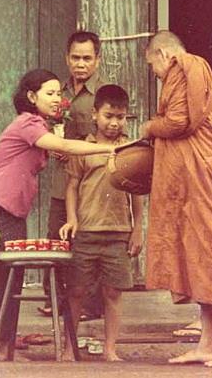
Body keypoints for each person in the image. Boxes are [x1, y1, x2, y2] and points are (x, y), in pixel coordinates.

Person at [0, 68, 115, 360]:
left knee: (4, 278)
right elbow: (66, 145)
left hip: (9, 208)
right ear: (32, 96)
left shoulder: (38, 125)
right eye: (50, 93)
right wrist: (108, 150)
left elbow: (56, 150)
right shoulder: (27, 123)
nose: (58, 99)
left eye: (59, 93)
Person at [141, 31, 212, 368]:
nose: (156, 74)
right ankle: (208, 342)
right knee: (198, 258)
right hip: (196, 182)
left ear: (163, 55)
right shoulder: (188, 71)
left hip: (211, 179)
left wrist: (149, 127)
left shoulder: (186, 65)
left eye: (153, 67)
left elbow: (179, 121)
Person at [59, 85, 143, 361]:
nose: (114, 122)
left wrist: (138, 229)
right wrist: (72, 219)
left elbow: (138, 191)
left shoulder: (130, 149)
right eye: (108, 115)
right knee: (77, 292)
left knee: (113, 292)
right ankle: (70, 348)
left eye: (120, 116)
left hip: (119, 232)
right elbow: (72, 186)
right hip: (87, 230)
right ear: (95, 114)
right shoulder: (84, 147)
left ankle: (110, 349)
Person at [41, 31, 108, 319]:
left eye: (87, 58)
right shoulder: (58, 92)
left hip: (94, 181)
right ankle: (54, 299)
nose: (81, 64)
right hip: (62, 179)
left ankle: (90, 305)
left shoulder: (104, 92)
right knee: (57, 237)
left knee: (90, 240)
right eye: (75, 58)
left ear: (97, 60)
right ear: (67, 58)